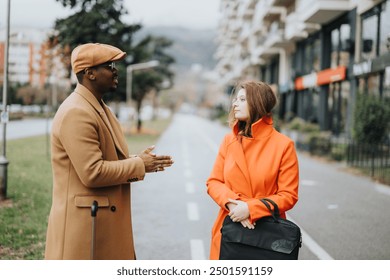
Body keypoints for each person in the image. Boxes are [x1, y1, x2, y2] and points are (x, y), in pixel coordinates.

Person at [44, 43, 174, 260]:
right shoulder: (76, 112)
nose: (115, 70)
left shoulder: (99, 107)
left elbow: (105, 159)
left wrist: (138, 161)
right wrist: (139, 164)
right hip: (86, 231)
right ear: (89, 73)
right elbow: (92, 172)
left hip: (100, 223)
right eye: (109, 65)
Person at [206, 80, 299, 260]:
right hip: (230, 227)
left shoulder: (284, 145)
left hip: (266, 233)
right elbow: (214, 182)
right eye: (235, 99)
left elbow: (289, 195)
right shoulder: (229, 141)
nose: (234, 104)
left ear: (258, 103)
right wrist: (235, 205)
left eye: (242, 99)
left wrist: (250, 209)